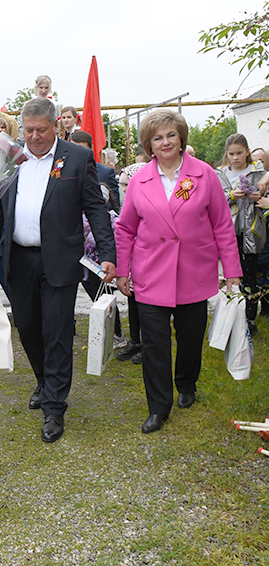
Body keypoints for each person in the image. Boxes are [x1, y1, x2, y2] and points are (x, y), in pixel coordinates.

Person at [0, 97, 116, 443]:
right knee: (26, 326)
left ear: (56, 126)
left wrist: (107, 252)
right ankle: (43, 379)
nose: (35, 137)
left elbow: (96, 209)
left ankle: (55, 406)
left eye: (42, 130)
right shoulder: (10, 158)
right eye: (29, 131)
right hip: (19, 259)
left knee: (57, 330)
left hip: (60, 258)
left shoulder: (77, 157)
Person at [115, 109, 242, 434]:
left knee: (189, 340)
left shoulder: (204, 175)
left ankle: (186, 384)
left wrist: (232, 272)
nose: (165, 141)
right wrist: (122, 271)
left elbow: (223, 226)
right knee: (155, 345)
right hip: (151, 275)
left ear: (181, 137)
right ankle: (158, 407)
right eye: (158, 137)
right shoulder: (140, 181)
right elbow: (126, 229)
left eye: (171, 135)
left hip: (193, 273)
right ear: (149, 144)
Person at [215, 133, 267, 336]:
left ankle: (250, 318)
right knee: (230, 275)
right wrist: (230, 196)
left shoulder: (258, 172)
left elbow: (265, 195)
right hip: (229, 232)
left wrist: (258, 196)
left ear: (247, 151)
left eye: (239, 153)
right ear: (226, 155)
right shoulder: (221, 174)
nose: (235, 158)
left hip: (251, 232)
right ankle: (231, 316)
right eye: (231, 154)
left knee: (249, 275)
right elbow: (215, 201)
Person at [115, 163, 146, 364]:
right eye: (122, 185)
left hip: (147, 260)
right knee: (132, 301)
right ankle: (135, 340)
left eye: (127, 185)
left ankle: (147, 344)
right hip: (133, 261)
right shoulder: (127, 200)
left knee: (146, 306)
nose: (124, 189)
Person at [71, 131, 121, 211]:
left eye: (81, 150)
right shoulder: (62, 171)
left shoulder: (106, 173)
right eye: (73, 149)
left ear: (91, 149)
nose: (77, 154)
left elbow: (114, 204)